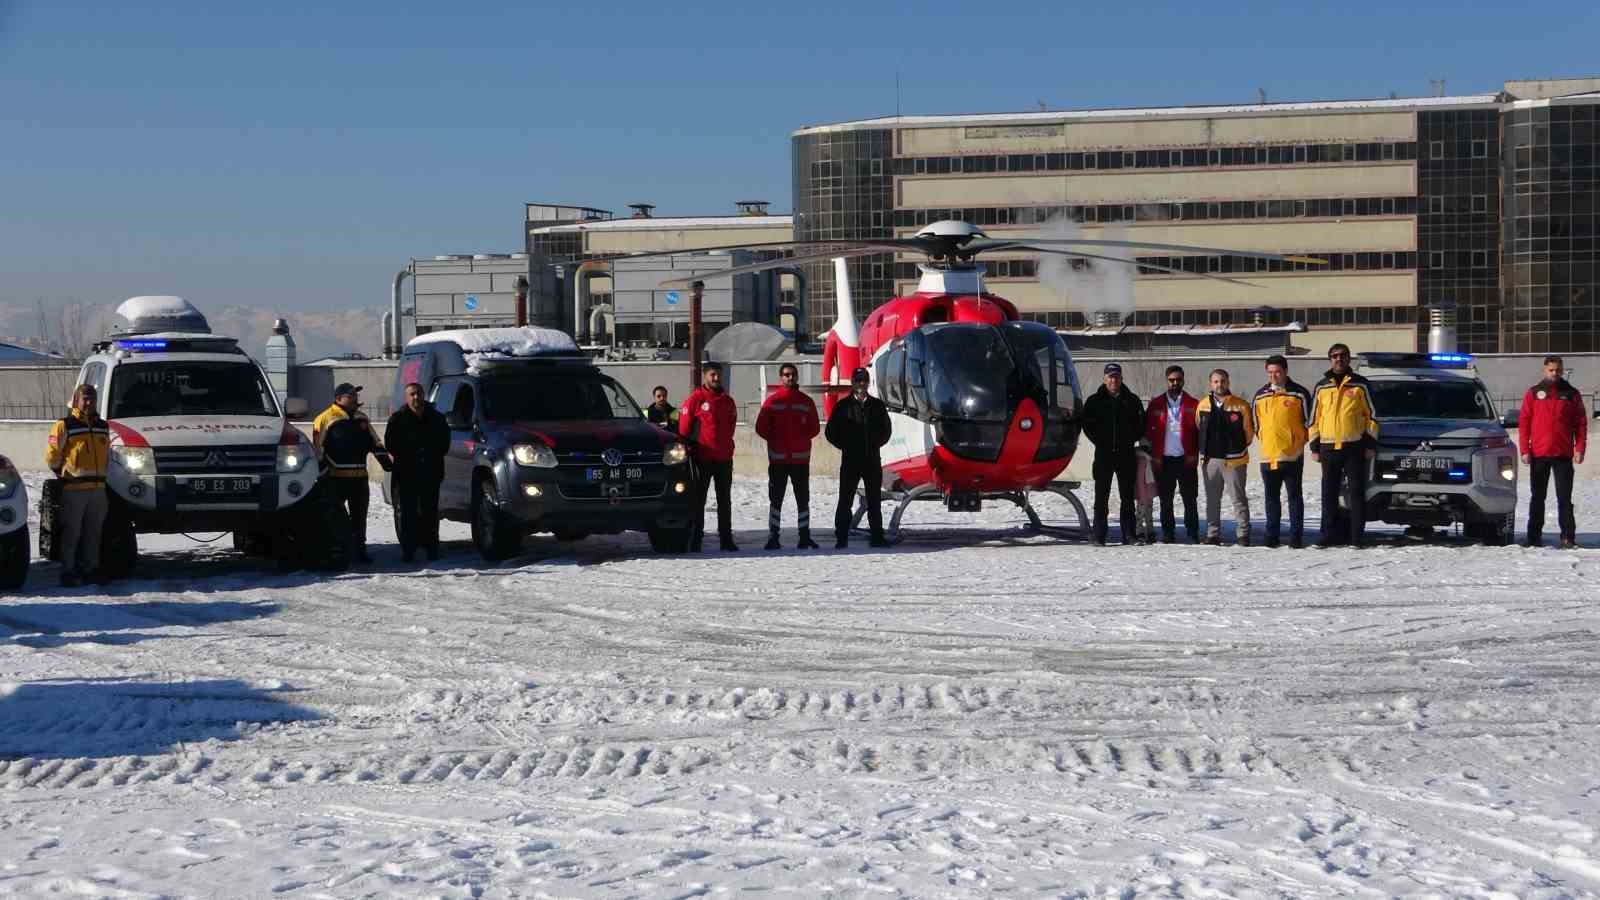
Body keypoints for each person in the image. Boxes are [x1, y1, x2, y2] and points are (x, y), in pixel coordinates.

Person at [1308, 344, 1379, 548]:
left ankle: (1356, 537)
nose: (1338, 359)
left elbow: (1372, 417)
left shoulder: (1360, 385)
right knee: (1329, 493)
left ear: (1349, 359)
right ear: (1330, 359)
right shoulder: (1322, 386)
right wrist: (1314, 447)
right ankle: (1328, 535)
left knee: (1356, 493)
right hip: (1328, 448)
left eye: (1343, 356)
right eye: (1334, 356)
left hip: (1354, 447)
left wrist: (1370, 444)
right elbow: (1314, 419)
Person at [313, 383, 392, 564]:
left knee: (360, 519)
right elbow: (318, 450)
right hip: (336, 480)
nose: (355, 398)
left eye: (355, 395)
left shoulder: (362, 418)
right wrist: (324, 474)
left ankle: (360, 551)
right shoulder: (325, 418)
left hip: (360, 479)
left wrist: (387, 463)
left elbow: (375, 443)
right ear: (338, 398)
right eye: (350, 395)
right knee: (335, 519)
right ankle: (336, 552)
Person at [1518, 355, 1587, 548]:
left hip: (1563, 455)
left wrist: (1579, 448)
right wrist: (1525, 449)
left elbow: (1580, 424)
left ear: (1562, 370)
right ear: (1544, 370)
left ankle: (1567, 537)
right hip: (1539, 454)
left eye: (1557, 370)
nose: (1554, 373)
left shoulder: (1572, 394)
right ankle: (1533, 537)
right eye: (1551, 370)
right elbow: (1524, 423)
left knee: (1564, 498)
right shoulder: (1533, 393)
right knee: (1537, 497)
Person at [44, 384, 110, 586]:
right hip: (74, 490)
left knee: (94, 532)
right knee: (72, 532)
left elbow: (107, 453)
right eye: (85, 399)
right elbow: (52, 455)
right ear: (76, 400)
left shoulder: (102, 425)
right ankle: (68, 570)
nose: (89, 402)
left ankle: (91, 568)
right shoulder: (65, 425)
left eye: (92, 398)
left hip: (98, 489)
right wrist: (61, 474)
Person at [754, 362, 821, 550]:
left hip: (800, 460)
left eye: (792, 374)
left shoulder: (806, 401)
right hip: (778, 460)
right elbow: (761, 427)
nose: (790, 377)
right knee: (776, 499)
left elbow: (814, 428)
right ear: (781, 377)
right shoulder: (772, 401)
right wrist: (775, 441)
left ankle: (804, 536)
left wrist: (800, 440)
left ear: (796, 377)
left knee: (803, 499)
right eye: (786, 374)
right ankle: (773, 536)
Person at [826, 367, 892, 548]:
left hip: (871, 460)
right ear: (853, 382)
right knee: (845, 500)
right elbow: (830, 432)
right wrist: (846, 445)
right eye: (858, 380)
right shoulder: (843, 406)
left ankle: (877, 537)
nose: (862, 383)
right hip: (850, 461)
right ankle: (841, 538)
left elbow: (886, 430)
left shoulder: (877, 406)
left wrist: (875, 443)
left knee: (874, 500)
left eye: (864, 380)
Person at [385, 382, 451, 563]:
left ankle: (432, 548)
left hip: (431, 472)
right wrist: (411, 453)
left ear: (424, 395)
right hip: (407, 473)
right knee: (408, 513)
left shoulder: (437, 418)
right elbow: (390, 444)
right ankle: (409, 550)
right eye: (412, 394)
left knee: (430, 513)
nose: (416, 397)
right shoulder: (398, 419)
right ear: (406, 397)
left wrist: (428, 453)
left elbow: (444, 444)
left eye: (419, 393)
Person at [1080, 363, 1144, 545]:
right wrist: (1100, 440)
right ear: (1104, 378)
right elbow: (1087, 425)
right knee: (1101, 497)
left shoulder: (1132, 400)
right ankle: (1099, 535)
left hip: (1126, 455)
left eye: (1116, 376)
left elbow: (1141, 424)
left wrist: (1131, 438)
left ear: (1121, 379)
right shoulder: (1094, 401)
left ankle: (1129, 535)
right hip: (1104, 455)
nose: (1113, 380)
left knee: (1127, 497)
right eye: (1110, 376)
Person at [1253, 355, 1312, 548]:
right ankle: (1272, 537)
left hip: (1292, 455)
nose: (1274, 376)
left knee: (1294, 497)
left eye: (1277, 371)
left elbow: (1309, 422)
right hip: (1268, 455)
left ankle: (1296, 537)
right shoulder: (1260, 395)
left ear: (1285, 371)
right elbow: (1256, 424)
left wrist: (1298, 443)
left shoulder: (1299, 393)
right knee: (1271, 499)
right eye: (1270, 372)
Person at [678, 362, 738, 551]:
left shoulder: (728, 401)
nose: (716, 378)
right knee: (699, 500)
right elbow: (684, 429)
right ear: (705, 376)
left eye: (718, 375)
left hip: (724, 458)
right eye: (712, 375)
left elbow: (731, 427)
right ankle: (696, 539)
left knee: (724, 500)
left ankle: (726, 539)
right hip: (702, 458)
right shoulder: (695, 399)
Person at [1143, 364, 1200, 543]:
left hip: (1186, 459)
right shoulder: (1156, 404)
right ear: (1167, 381)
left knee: (1190, 498)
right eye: (1171, 380)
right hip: (1163, 460)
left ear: (1183, 380)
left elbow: (1200, 431)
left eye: (1178, 380)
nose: (1175, 383)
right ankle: (1168, 532)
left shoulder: (1193, 403)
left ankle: (1192, 531)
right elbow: (1147, 430)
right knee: (1165, 499)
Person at [1197, 369, 1254, 546]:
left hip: (1234, 460)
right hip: (1211, 460)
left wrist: (1235, 447)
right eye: (1215, 381)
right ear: (1210, 384)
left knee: (1238, 498)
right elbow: (1199, 426)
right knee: (1212, 499)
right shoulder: (1203, 405)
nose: (1219, 385)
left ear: (1228, 382)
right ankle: (1213, 534)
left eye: (1222, 381)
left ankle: (1243, 534)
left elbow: (1249, 433)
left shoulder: (1240, 405)